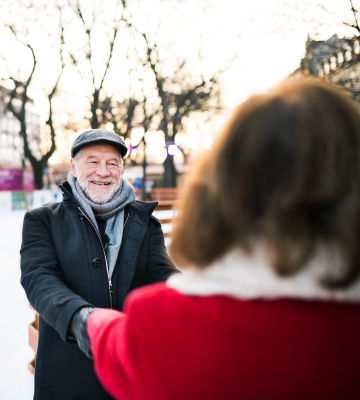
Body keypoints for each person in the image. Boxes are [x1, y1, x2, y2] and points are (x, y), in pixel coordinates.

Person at [78, 80, 360, 400]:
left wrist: (94, 320)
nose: (103, 171)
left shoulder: (159, 324)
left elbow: (113, 343)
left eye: (112, 162)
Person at [20, 129, 177, 399]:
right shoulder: (43, 221)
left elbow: (162, 274)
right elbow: (39, 279)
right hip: (67, 376)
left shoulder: (145, 223)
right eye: (92, 161)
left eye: (112, 163)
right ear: (73, 166)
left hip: (131, 374)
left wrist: (191, 294)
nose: (103, 172)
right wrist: (80, 319)